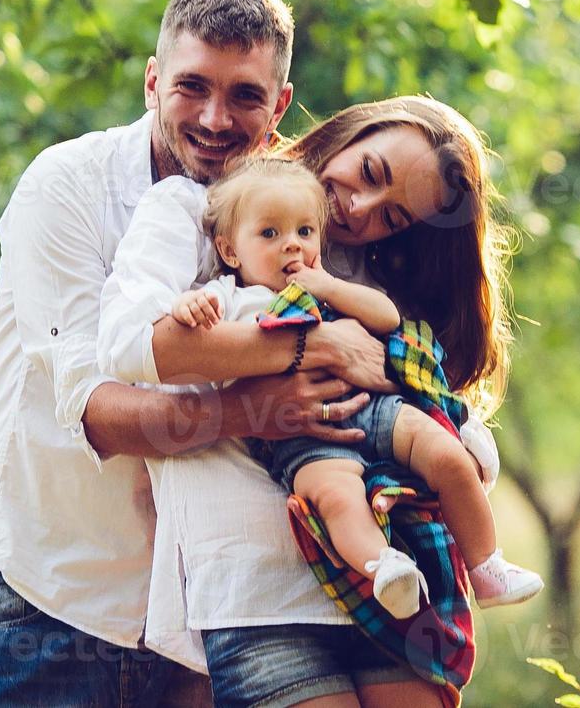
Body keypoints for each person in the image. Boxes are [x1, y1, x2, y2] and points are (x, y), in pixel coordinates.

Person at [0, 0, 395, 707]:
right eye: (192, 87)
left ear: (279, 105)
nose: (217, 119)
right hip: (46, 600)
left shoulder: (285, 221)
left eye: (246, 95)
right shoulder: (67, 187)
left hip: (199, 622)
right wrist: (273, 392)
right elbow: (99, 412)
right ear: (153, 82)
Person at [98, 96, 521, 708]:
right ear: (348, 133)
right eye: (369, 173)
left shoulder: (358, 275)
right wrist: (314, 347)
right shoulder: (204, 210)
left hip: (386, 582)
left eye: (394, 217)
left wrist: (435, 421)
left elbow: (462, 435)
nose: (361, 208)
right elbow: (137, 342)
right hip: (257, 592)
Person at [165, 156, 543, 619]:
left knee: (445, 453)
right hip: (302, 440)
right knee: (335, 499)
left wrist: (327, 284)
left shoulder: (330, 285)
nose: (292, 247)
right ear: (229, 251)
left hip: (376, 408)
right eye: (270, 234)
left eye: (304, 232)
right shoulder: (228, 296)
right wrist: (190, 304)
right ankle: (384, 568)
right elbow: (190, 328)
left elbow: (385, 317)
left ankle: (487, 565)